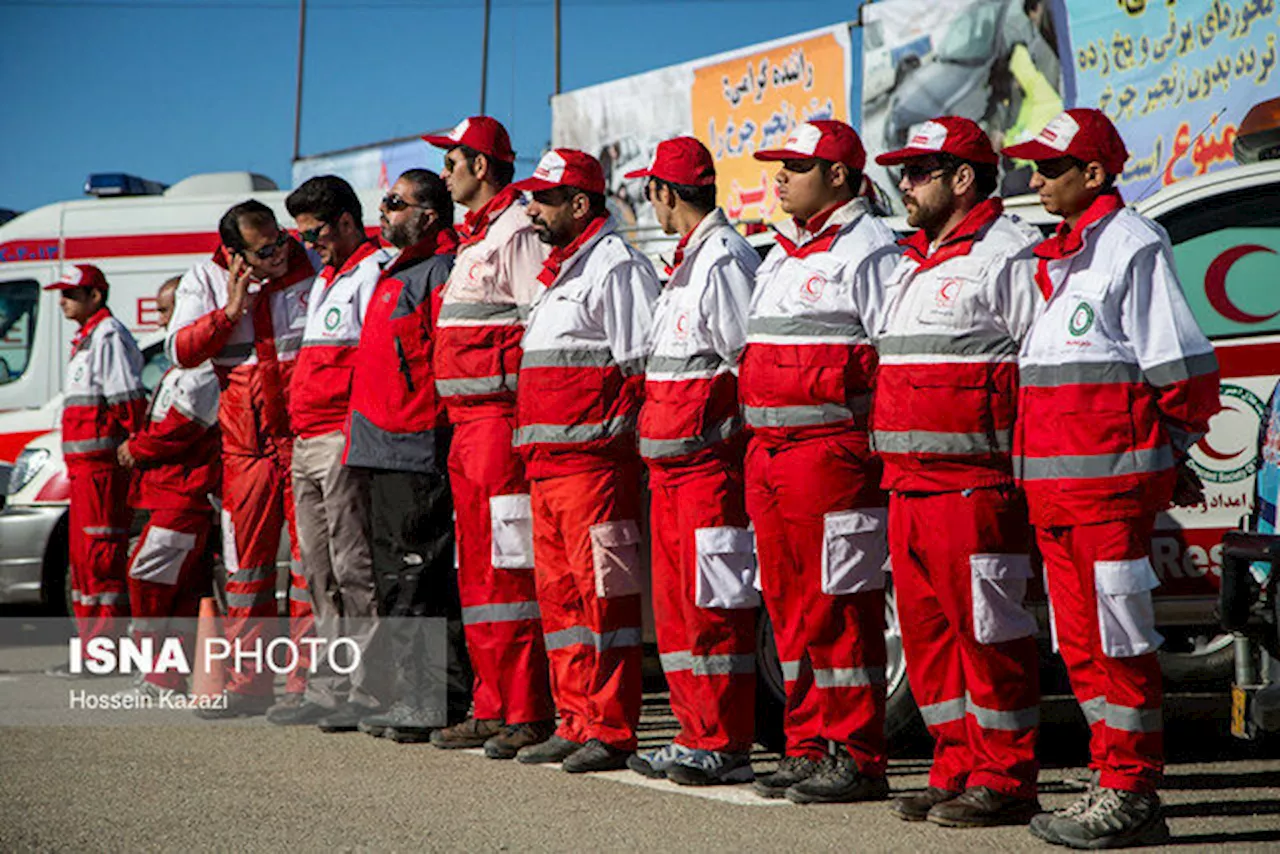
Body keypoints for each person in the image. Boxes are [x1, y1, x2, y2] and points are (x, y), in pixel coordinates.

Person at [1003, 108, 1220, 849]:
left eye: (1049, 168)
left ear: (1093, 174)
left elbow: (1182, 370)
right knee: (1084, 646)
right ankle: (1112, 775)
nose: (1035, 181)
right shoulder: (1058, 256)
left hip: (1107, 498)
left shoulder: (1131, 245)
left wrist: (1175, 447)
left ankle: (1133, 793)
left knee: (1122, 642)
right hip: (1058, 499)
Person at [871, 117, 1043, 826]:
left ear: (962, 178)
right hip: (908, 486)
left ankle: (1005, 777)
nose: (903, 186)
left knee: (990, 637)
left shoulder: (1008, 253)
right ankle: (956, 765)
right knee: (931, 642)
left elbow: (1041, 362)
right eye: (901, 174)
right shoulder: (915, 259)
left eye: (916, 173)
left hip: (974, 485)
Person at [738, 120, 900, 803]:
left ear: (838, 175)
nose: (779, 177)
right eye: (777, 165)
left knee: (840, 606)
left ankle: (857, 753)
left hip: (832, 455)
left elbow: (896, 356)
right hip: (769, 456)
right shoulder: (779, 253)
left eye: (794, 166)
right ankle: (807, 743)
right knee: (788, 609)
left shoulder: (871, 249)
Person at [509, 149, 660, 773]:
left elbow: (641, 367)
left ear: (580, 204)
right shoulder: (560, 270)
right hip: (548, 469)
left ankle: (612, 726)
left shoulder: (615, 266)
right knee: (563, 606)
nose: (532, 210)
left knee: (605, 604)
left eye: (544, 199)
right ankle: (575, 719)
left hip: (595, 470)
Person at [621, 137, 760, 786]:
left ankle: (725, 743)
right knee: (678, 613)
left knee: (714, 610)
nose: (649, 202)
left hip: (709, 473)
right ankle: (693, 733)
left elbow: (744, 365)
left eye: (649, 191)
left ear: (665, 193)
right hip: (672, 474)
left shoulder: (724, 259)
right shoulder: (686, 263)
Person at [423, 116, 556, 757]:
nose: (444, 172)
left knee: (511, 570)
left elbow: (542, 332)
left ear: (481, 166)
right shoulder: (472, 240)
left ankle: (527, 710)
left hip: (501, 430)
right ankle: (492, 703)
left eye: (452, 161)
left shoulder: (517, 230)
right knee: (475, 574)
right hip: (466, 433)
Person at [168, 201, 319, 718]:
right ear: (234, 255)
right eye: (264, 249)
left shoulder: (312, 266)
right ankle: (247, 684)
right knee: (246, 569)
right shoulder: (204, 279)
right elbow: (181, 352)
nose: (279, 253)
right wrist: (229, 312)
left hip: (300, 437)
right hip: (244, 445)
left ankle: (305, 683)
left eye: (279, 240)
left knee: (308, 566)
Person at [342, 169, 468, 741]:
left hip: (417, 449)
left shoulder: (440, 271)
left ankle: (430, 701)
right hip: (379, 448)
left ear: (429, 215)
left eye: (396, 203)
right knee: (394, 580)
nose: (385, 211)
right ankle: (407, 695)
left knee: (419, 580)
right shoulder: (396, 273)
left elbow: (445, 364)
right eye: (385, 202)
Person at [272, 176, 391, 730]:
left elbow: (375, 365)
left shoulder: (373, 271)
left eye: (314, 232)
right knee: (315, 571)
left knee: (352, 568)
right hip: (306, 440)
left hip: (344, 438)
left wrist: (358, 433)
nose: (307, 243)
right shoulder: (326, 278)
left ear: (346, 221)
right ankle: (330, 684)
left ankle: (367, 689)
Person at [116, 277, 221, 698]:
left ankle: (159, 674)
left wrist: (135, 449)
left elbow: (180, 428)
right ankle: (165, 675)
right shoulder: (183, 366)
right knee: (172, 588)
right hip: (167, 492)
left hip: (183, 496)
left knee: (148, 578)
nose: (161, 320)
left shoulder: (202, 369)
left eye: (166, 311)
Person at [44, 264, 146, 669]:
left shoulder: (107, 335)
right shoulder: (86, 339)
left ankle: (105, 651)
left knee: (101, 560)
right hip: (84, 471)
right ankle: (91, 649)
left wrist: (136, 447)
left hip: (103, 470)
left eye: (70, 293)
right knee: (85, 564)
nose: (62, 300)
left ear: (95, 296)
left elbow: (127, 401)